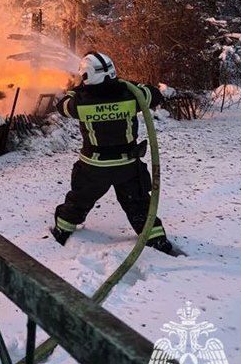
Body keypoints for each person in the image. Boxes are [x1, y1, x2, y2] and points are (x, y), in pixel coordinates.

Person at [52, 51, 175, 255]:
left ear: (86, 76)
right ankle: (156, 241)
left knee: (78, 202)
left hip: (93, 168)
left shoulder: (80, 102)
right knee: (139, 205)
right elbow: (154, 94)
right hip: (127, 166)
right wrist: (132, 85)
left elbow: (62, 106)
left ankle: (61, 232)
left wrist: (76, 90)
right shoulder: (131, 96)